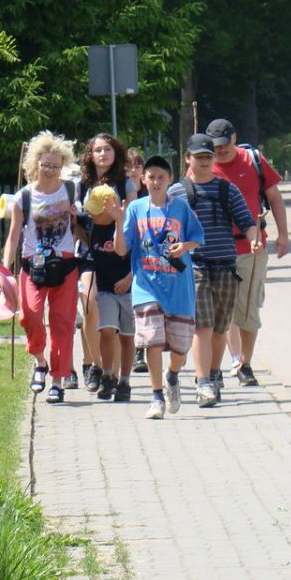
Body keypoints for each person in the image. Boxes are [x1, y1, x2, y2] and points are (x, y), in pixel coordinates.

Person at [108, 155, 204, 420]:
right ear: (143, 179)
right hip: (146, 287)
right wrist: (118, 222)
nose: (156, 182)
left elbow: (197, 237)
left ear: (170, 179)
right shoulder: (136, 209)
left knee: (181, 349)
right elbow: (121, 250)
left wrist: (184, 246)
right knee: (151, 340)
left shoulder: (181, 208)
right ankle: (157, 396)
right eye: (151, 177)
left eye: (161, 177)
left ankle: (172, 374)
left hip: (179, 290)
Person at [176, 133, 259, 407]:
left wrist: (254, 239)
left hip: (225, 265)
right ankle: (202, 382)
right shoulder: (178, 193)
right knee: (203, 325)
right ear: (188, 159)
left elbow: (247, 222)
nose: (204, 162)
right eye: (198, 157)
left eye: (208, 157)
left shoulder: (227, 190)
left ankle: (213, 374)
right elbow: (166, 227)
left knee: (220, 327)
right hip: (195, 267)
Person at [206, 118, 289, 388]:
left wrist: (283, 235)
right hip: (216, 249)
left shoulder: (253, 160)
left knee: (249, 309)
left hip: (251, 248)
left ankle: (246, 363)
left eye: (224, 144)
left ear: (234, 138)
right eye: (215, 146)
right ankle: (229, 362)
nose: (220, 150)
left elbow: (274, 197)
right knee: (223, 310)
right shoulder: (204, 165)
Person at [1, 131, 80, 405]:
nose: (50, 170)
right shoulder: (23, 196)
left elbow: (82, 225)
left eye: (55, 166)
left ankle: (58, 381)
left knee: (62, 323)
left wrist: (78, 218)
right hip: (32, 264)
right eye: (46, 165)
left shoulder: (71, 190)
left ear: (63, 166)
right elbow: (13, 236)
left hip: (65, 264)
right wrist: (5, 270)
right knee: (30, 317)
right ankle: (40, 361)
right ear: (36, 163)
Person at [76, 134, 137, 396]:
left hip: (120, 255)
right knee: (90, 306)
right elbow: (76, 224)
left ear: (116, 153)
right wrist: (88, 241)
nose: (103, 154)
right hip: (91, 255)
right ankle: (96, 365)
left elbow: (134, 221)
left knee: (122, 328)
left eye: (108, 149)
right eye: (98, 150)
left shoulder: (125, 183)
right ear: (90, 155)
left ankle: (117, 376)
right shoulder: (81, 184)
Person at [125, 148, 150, 374]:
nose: (133, 171)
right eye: (128, 166)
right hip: (123, 253)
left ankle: (140, 351)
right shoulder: (120, 192)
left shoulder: (150, 194)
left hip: (145, 257)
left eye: (137, 166)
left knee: (141, 303)